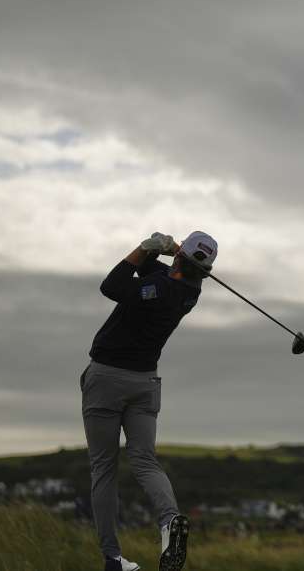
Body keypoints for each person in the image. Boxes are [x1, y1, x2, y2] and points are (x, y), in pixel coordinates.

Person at [81, 231, 218, 571]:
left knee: (104, 468)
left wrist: (145, 246)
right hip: (145, 384)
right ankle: (169, 522)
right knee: (144, 460)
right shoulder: (189, 292)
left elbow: (111, 286)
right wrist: (166, 252)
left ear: (180, 259)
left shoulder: (161, 289)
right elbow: (152, 272)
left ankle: (112, 558)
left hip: (107, 379)